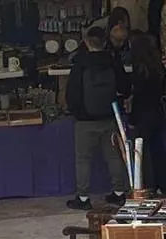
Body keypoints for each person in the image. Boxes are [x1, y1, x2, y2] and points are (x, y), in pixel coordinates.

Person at [65, 26, 131, 210]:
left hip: (85, 120)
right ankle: (119, 193)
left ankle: (83, 198)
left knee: (83, 159)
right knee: (113, 156)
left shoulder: (79, 64)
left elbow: (72, 94)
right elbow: (125, 87)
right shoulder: (113, 61)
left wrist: (77, 112)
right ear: (105, 41)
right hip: (110, 117)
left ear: (86, 42)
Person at [128, 33, 166, 195]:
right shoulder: (158, 67)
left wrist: (132, 118)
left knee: (144, 152)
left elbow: (139, 97)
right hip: (157, 112)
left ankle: (149, 185)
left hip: (144, 114)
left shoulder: (140, 70)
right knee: (157, 149)